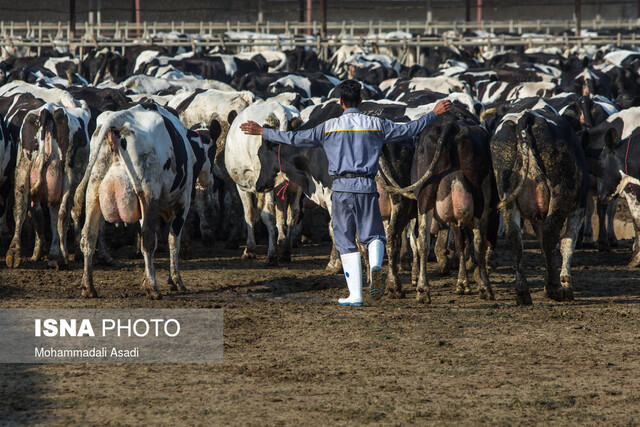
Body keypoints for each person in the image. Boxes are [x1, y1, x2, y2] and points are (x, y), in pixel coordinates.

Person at [240, 80, 452, 306]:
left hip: (341, 189)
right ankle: (377, 267)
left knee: (346, 241)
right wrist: (433, 113)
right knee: (375, 236)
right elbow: (409, 129)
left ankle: (356, 295)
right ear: (360, 102)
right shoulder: (375, 124)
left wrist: (263, 131)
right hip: (368, 187)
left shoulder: (328, 127)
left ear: (341, 102)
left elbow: (294, 139)